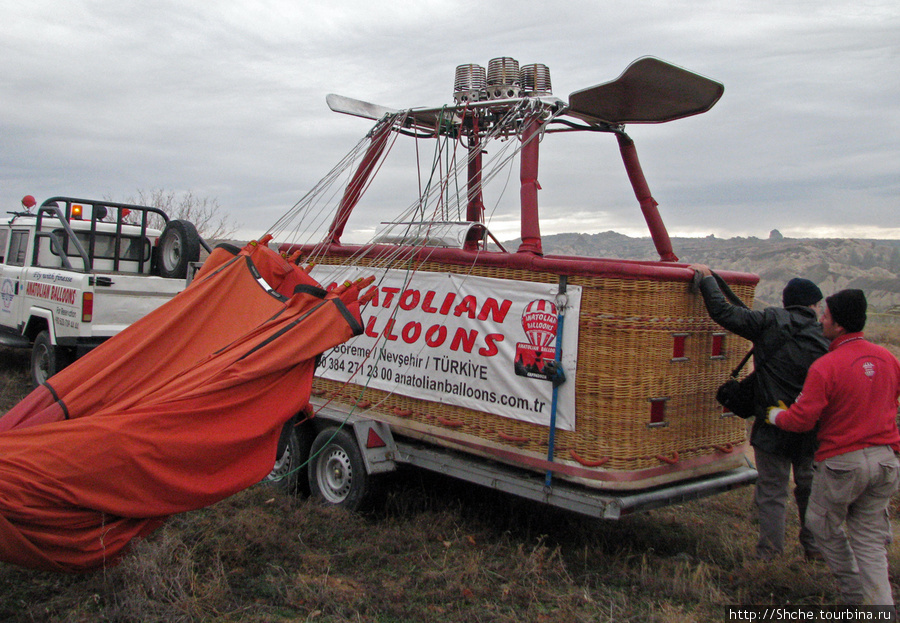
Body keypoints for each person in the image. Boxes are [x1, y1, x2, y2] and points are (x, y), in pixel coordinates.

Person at [768, 289, 900, 606]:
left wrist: (776, 416)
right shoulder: (888, 358)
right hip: (886, 461)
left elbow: (802, 419)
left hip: (843, 463)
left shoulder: (826, 366)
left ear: (838, 325)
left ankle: (853, 593)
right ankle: (880, 607)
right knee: (868, 538)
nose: (821, 319)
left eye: (825, 315)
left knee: (820, 523)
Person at [691, 265, 829, 560]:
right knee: (810, 487)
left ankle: (770, 555)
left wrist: (707, 281)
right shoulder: (826, 335)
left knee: (772, 491)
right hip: (813, 426)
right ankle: (815, 550)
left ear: (785, 302)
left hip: (772, 422)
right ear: (814, 305)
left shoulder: (769, 321)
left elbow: (724, 313)